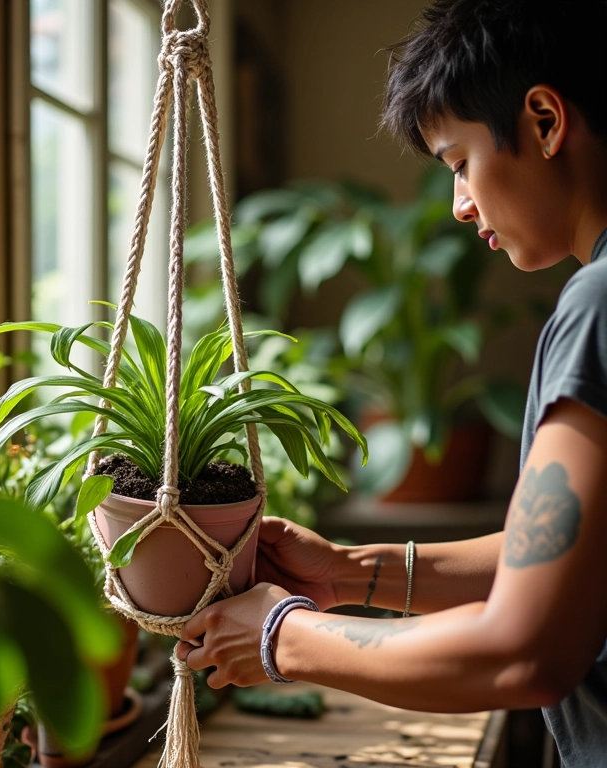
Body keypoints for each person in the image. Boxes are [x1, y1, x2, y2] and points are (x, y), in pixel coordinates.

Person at [175, 1, 607, 765]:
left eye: (459, 162)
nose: (460, 204)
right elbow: (561, 557)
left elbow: (526, 652)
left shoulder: (597, 305)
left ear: (543, 120)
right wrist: (347, 574)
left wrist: (284, 638)